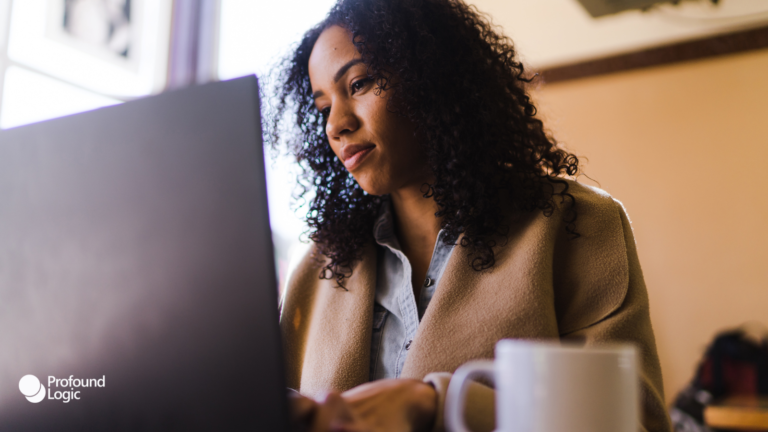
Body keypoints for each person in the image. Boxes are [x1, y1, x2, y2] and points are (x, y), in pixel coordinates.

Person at [271, 0, 671, 431]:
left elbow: (631, 421)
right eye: (323, 107)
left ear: (433, 76)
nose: (337, 125)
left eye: (360, 82)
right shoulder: (318, 269)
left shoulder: (577, 225)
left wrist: (442, 405)